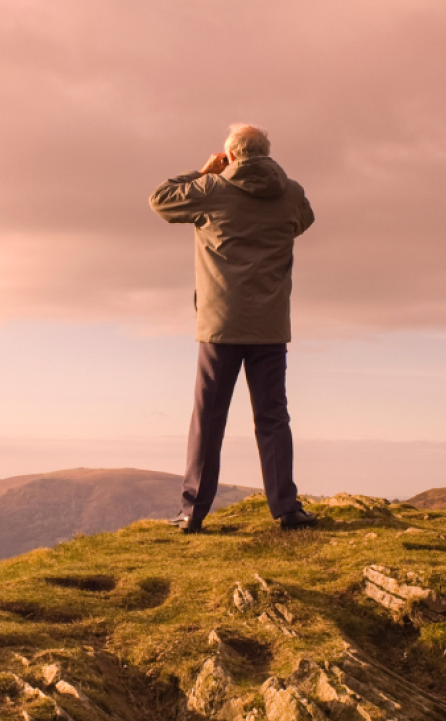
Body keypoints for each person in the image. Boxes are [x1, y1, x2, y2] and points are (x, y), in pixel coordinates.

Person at [149, 123, 317, 532]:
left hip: (220, 325)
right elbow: (304, 221)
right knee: (273, 416)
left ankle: (193, 513)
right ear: (266, 152)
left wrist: (205, 171)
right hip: (270, 324)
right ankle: (286, 509)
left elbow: (160, 200)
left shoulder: (212, 190)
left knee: (209, 417)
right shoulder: (291, 192)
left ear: (232, 155)